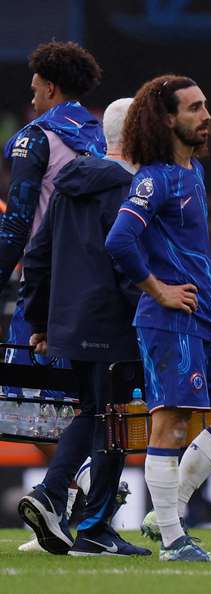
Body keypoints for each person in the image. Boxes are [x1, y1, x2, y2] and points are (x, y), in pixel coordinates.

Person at [105, 75, 211, 562]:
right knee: (169, 425)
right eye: (193, 108)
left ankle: (166, 513)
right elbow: (119, 240)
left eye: (205, 105)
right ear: (168, 119)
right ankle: (172, 539)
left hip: (203, 317)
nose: (205, 115)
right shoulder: (155, 178)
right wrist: (159, 290)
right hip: (169, 319)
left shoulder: (193, 172)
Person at [18, 98, 149, 557]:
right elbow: (127, 262)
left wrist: (39, 320)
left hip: (71, 323)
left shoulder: (69, 184)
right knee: (115, 421)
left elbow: (37, 255)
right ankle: (92, 526)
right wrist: (149, 316)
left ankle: (52, 495)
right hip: (115, 322)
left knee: (93, 413)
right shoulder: (132, 190)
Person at [2, 41, 105, 552]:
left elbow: (19, 220)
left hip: (47, 288)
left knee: (38, 404)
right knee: (88, 403)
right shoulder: (105, 136)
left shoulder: (34, 138)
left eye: (35, 84)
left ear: (49, 84)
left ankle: (71, 500)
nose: (32, 93)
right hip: (101, 290)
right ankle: (74, 505)